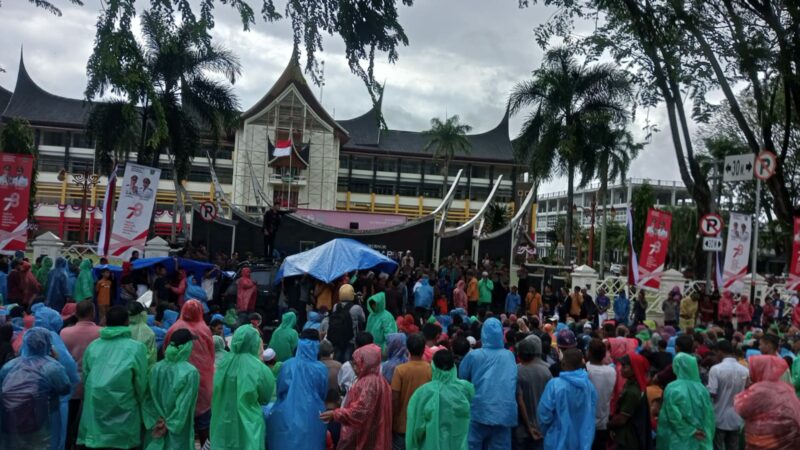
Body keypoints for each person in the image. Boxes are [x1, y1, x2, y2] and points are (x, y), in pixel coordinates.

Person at [78, 305, 149, 449]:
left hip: (96, 408)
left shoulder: (93, 346)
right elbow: (141, 384)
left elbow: (86, 377)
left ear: (106, 322)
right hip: (125, 411)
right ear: (127, 322)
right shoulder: (137, 348)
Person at [0, 327, 71, 450]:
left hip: (10, 421)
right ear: (48, 344)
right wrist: (56, 361)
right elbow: (65, 389)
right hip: (43, 421)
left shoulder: (9, 366)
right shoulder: (52, 367)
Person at [210, 325, 275, 450]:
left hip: (223, 419)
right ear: (255, 342)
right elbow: (265, 398)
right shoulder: (259, 368)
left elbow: (216, 390)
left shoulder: (222, 363)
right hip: (250, 423)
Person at [163, 300, 216, 445]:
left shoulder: (174, 328)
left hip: (177, 380)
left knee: (180, 420)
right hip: (203, 381)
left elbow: (166, 351)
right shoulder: (204, 329)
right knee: (204, 423)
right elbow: (211, 356)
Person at [320, 343, 392, 450]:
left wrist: (336, 414)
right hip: (375, 432)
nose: (354, 368)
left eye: (357, 364)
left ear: (367, 364)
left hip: (363, 436)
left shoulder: (368, 383)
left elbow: (359, 411)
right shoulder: (381, 380)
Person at [459, 317, 517, 449]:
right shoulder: (509, 356)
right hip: (504, 413)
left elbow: (462, 379)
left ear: (483, 333)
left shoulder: (474, 356)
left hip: (478, 411)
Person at [267, 329, 329, 450]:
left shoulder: (287, 365)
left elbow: (280, 391)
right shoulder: (321, 369)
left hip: (286, 412)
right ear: (317, 345)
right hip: (313, 414)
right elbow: (323, 393)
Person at [30, 304, 80, 450]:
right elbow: (71, 375)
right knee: (54, 441)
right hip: (55, 405)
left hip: (29, 403)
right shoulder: (56, 343)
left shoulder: (29, 338)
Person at [142, 328, 200, 450]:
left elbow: (147, 399)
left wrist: (156, 421)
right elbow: (183, 406)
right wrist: (169, 424)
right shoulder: (190, 372)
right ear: (187, 347)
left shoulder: (156, 368)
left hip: (155, 425)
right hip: (176, 431)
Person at [405, 349, 474, 450]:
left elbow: (415, 428)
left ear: (433, 366)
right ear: (453, 366)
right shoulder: (466, 389)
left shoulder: (423, 393)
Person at [734, 354, 800, 450]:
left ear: (760, 369)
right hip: (785, 438)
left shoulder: (759, 389)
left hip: (762, 438)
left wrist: (747, 388)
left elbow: (742, 409)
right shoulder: (785, 387)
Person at [537, 348, 597, 450]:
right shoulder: (589, 387)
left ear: (563, 363)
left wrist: (547, 432)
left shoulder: (555, 385)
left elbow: (544, 414)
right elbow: (591, 413)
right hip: (582, 441)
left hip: (556, 441)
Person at [60, 300, 101, 448]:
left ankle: (68, 443)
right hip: (94, 384)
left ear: (76, 314)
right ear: (93, 313)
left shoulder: (64, 333)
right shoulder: (100, 333)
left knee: (70, 420)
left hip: (72, 384)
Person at [656, 352, 715, 450]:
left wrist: (690, 430)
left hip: (677, 438)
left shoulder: (672, 388)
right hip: (700, 436)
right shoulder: (702, 389)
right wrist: (705, 433)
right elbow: (709, 416)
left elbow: (673, 416)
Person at [391, 333, 432, 449]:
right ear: (424, 349)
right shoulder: (430, 369)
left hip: (402, 424)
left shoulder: (400, 370)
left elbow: (395, 398)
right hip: (424, 423)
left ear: (407, 348)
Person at [706, 339, 748, 450]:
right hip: (736, 418)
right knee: (733, 446)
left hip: (719, 416)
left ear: (720, 352)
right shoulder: (744, 370)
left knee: (718, 446)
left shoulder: (716, 369)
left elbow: (712, 393)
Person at [514, 335, 552, 450]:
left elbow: (520, 402)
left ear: (519, 355)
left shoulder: (516, 371)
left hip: (521, 431)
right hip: (542, 428)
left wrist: (529, 426)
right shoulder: (547, 371)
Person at [608, 353, 651, 450]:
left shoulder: (632, 392)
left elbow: (622, 419)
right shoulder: (631, 385)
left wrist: (607, 425)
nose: (621, 369)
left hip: (627, 439)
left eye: (624, 366)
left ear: (634, 369)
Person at [586, 338, 616, 450]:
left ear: (589, 353)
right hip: (603, 422)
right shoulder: (611, 371)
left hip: (586, 424)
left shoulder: (586, 370)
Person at [329, 284, 366, 363]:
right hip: (351, 339)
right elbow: (363, 319)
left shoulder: (335, 306)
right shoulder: (356, 308)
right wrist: (358, 302)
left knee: (337, 359)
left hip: (337, 337)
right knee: (348, 361)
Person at [128, 301, 157, 368]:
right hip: (141, 369)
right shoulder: (149, 332)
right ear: (143, 313)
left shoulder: (121, 328)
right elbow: (151, 358)